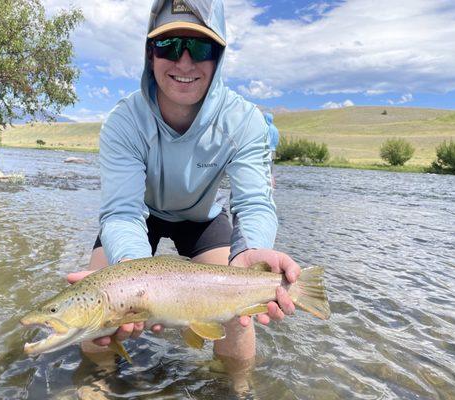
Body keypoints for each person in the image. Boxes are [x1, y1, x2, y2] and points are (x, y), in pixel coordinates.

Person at [67, 0, 300, 364]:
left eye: (201, 47)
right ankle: (94, 385)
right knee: (99, 303)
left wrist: (250, 250)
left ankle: (235, 389)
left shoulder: (244, 122)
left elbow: (253, 203)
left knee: (237, 311)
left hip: (202, 219)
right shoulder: (123, 122)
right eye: (171, 45)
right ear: (150, 53)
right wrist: (133, 281)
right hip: (139, 218)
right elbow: (122, 212)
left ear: (218, 56)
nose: (185, 62)